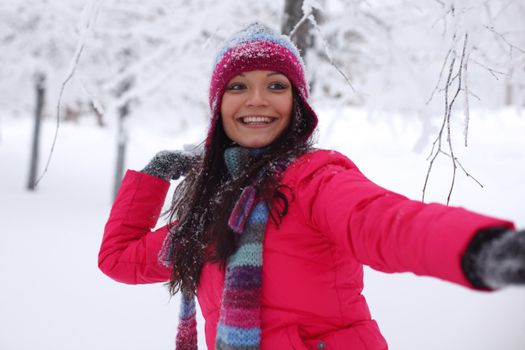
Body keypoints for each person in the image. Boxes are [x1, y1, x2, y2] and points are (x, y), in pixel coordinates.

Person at [98, 23, 525, 350]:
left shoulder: (315, 179)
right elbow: (118, 259)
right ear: (218, 107)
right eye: (238, 86)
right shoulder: (209, 215)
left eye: (276, 85)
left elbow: (382, 222)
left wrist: (480, 248)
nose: (257, 100)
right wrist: (151, 178)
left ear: (297, 103)